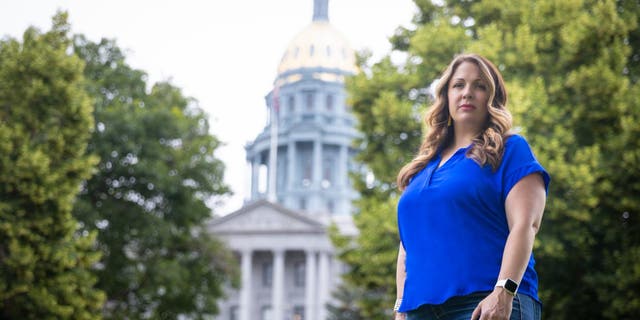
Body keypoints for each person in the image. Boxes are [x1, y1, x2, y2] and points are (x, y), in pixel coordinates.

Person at [393, 53, 550, 320]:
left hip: (485, 303)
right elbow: (407, 246)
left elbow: (526, 225)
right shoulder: (422, 170)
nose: (468, 93)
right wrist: (400, 308)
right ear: (446, 96)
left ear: (492, 98)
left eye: (479, 86)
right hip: (420, 311)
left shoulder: (510, 149)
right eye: (459, 85)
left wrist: (504, 291)